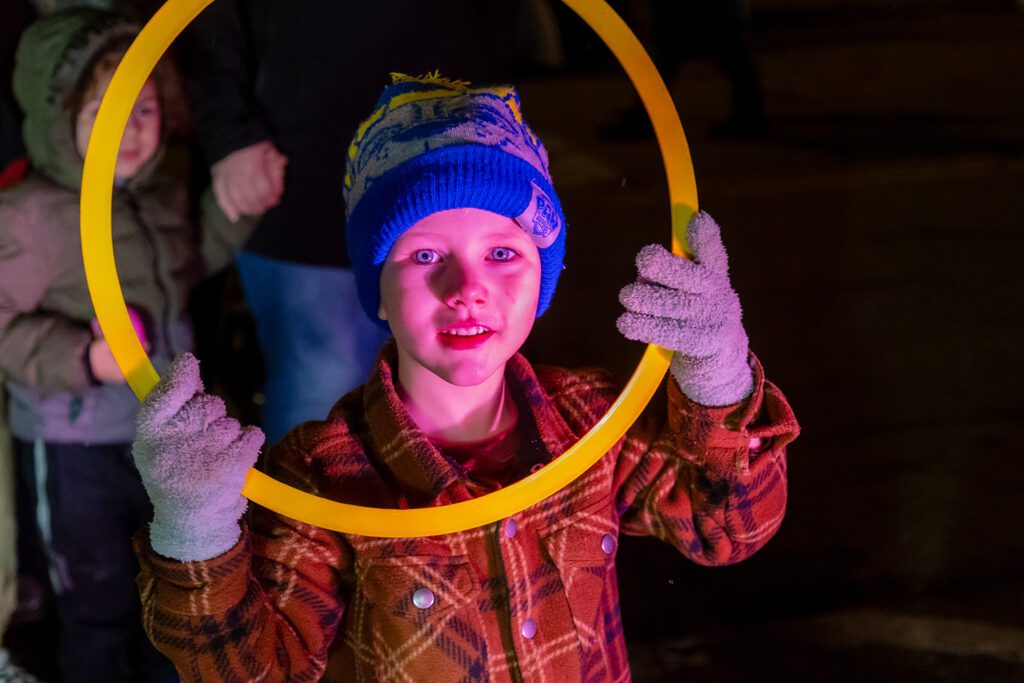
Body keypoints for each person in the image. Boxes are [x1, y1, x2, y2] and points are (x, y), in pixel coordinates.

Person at [130, 74, 800, 681]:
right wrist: (197, 532)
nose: (467, 288)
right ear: (380, 294)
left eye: (503, 252)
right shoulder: (320, 478)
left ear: (543, 278)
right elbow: (253, 670)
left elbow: (728, 527)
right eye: (425, 254)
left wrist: (718, 373)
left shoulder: (592, 421)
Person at [0, 8, 251, 681]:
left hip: (162, 440)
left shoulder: (159, 191)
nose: (130, 127)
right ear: (61, 121)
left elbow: (192, 261)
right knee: (95, 603)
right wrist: (83, 357)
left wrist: (238, 208)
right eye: (104, 111)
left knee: (162, 588)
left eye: (141, 106)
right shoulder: (30, 215)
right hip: (75, 446)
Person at [181, 1, 545, 445]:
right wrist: (229, 130)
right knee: (316, 416)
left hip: (457, 165)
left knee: (468, 409)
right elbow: (207, 18)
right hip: (303, 172)